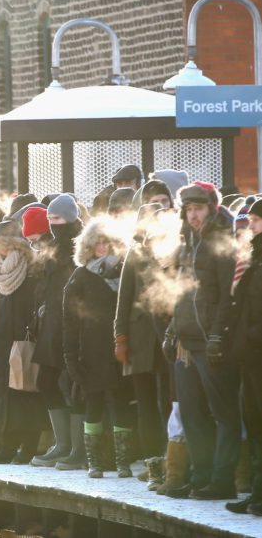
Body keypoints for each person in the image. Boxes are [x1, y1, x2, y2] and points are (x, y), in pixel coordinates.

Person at [164, 182, 239, 500]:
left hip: (211, 340)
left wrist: (218, 334)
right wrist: (172, 329)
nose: (192, 215)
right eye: (188, 209)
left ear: (211, 208)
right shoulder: (185, 243)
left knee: (223, 413)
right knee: (192, 414)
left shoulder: (223, 242)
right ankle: (200, 475)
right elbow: (179, 294)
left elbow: (227, 297)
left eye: (198, 209)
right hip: (187, 341)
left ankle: (222, 480)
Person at [64, 217, 134, 478]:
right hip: (91, 351)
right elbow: (69, 319)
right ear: (89, 246)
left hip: (120, 348)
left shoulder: (126, 271)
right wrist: (70, 356)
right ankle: (95, 462)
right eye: (98, 243)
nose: (103, 248)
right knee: (93, 403)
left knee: (121, 403)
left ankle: (123, 462)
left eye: (108, 242)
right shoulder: (80, 276)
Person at [114, 204, 171, 485]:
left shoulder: (176, 251)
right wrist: (120, 337)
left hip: (170, 339)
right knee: (147, 405)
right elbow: (122, 301)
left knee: (169, 404)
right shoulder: (134, 255)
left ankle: (173, 461)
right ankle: (154, 464)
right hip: (139, 341)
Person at [0, 220, 46, 465]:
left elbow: (39, 301)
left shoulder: (32, 267)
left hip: (24, 337)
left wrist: (32, 328)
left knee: (25, 392)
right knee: (3, 393)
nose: (3, 251)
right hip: (1, 339)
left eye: (6, 246)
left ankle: (28, 445)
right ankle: (7, 444)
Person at [31, 194, 83, 468]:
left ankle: (78, 449)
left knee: (74, 385)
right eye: (50, 219)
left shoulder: (79, 245)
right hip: (52, 323)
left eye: (58, 218)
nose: (53, 224)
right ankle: (63, 443)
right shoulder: (52, 248)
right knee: (46, 382)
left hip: (73, 324)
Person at [226, 198, 262, 515]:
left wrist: (250, 337)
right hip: (249, 357)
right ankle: (256, 492)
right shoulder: (252, 257)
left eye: (256, 220)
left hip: (257, 351)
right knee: (253, 425)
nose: (250, 226)